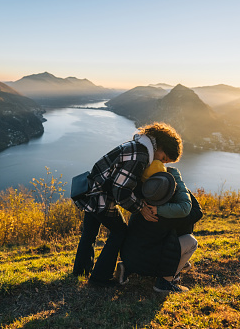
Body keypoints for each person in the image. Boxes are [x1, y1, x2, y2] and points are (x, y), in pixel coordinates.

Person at [72, 122, 183, 287]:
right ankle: (100, 278)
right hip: (101, 197)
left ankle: (80, 272)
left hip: (92, 190)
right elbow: (121, 191)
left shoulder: (137, 145)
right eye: (164, 158)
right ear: (160, 147)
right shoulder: (141, 155)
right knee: (120, 231)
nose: (162, 163)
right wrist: (141, 208)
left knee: (89, 233)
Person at [118, 161, 203, 293]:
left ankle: (126, 268)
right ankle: (166, 281)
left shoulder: (141, 204)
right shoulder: (168, 213)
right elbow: (197, 212)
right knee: (191, 242)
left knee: (153, 238)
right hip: (149, 262)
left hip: (130, 257)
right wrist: (179, 184)